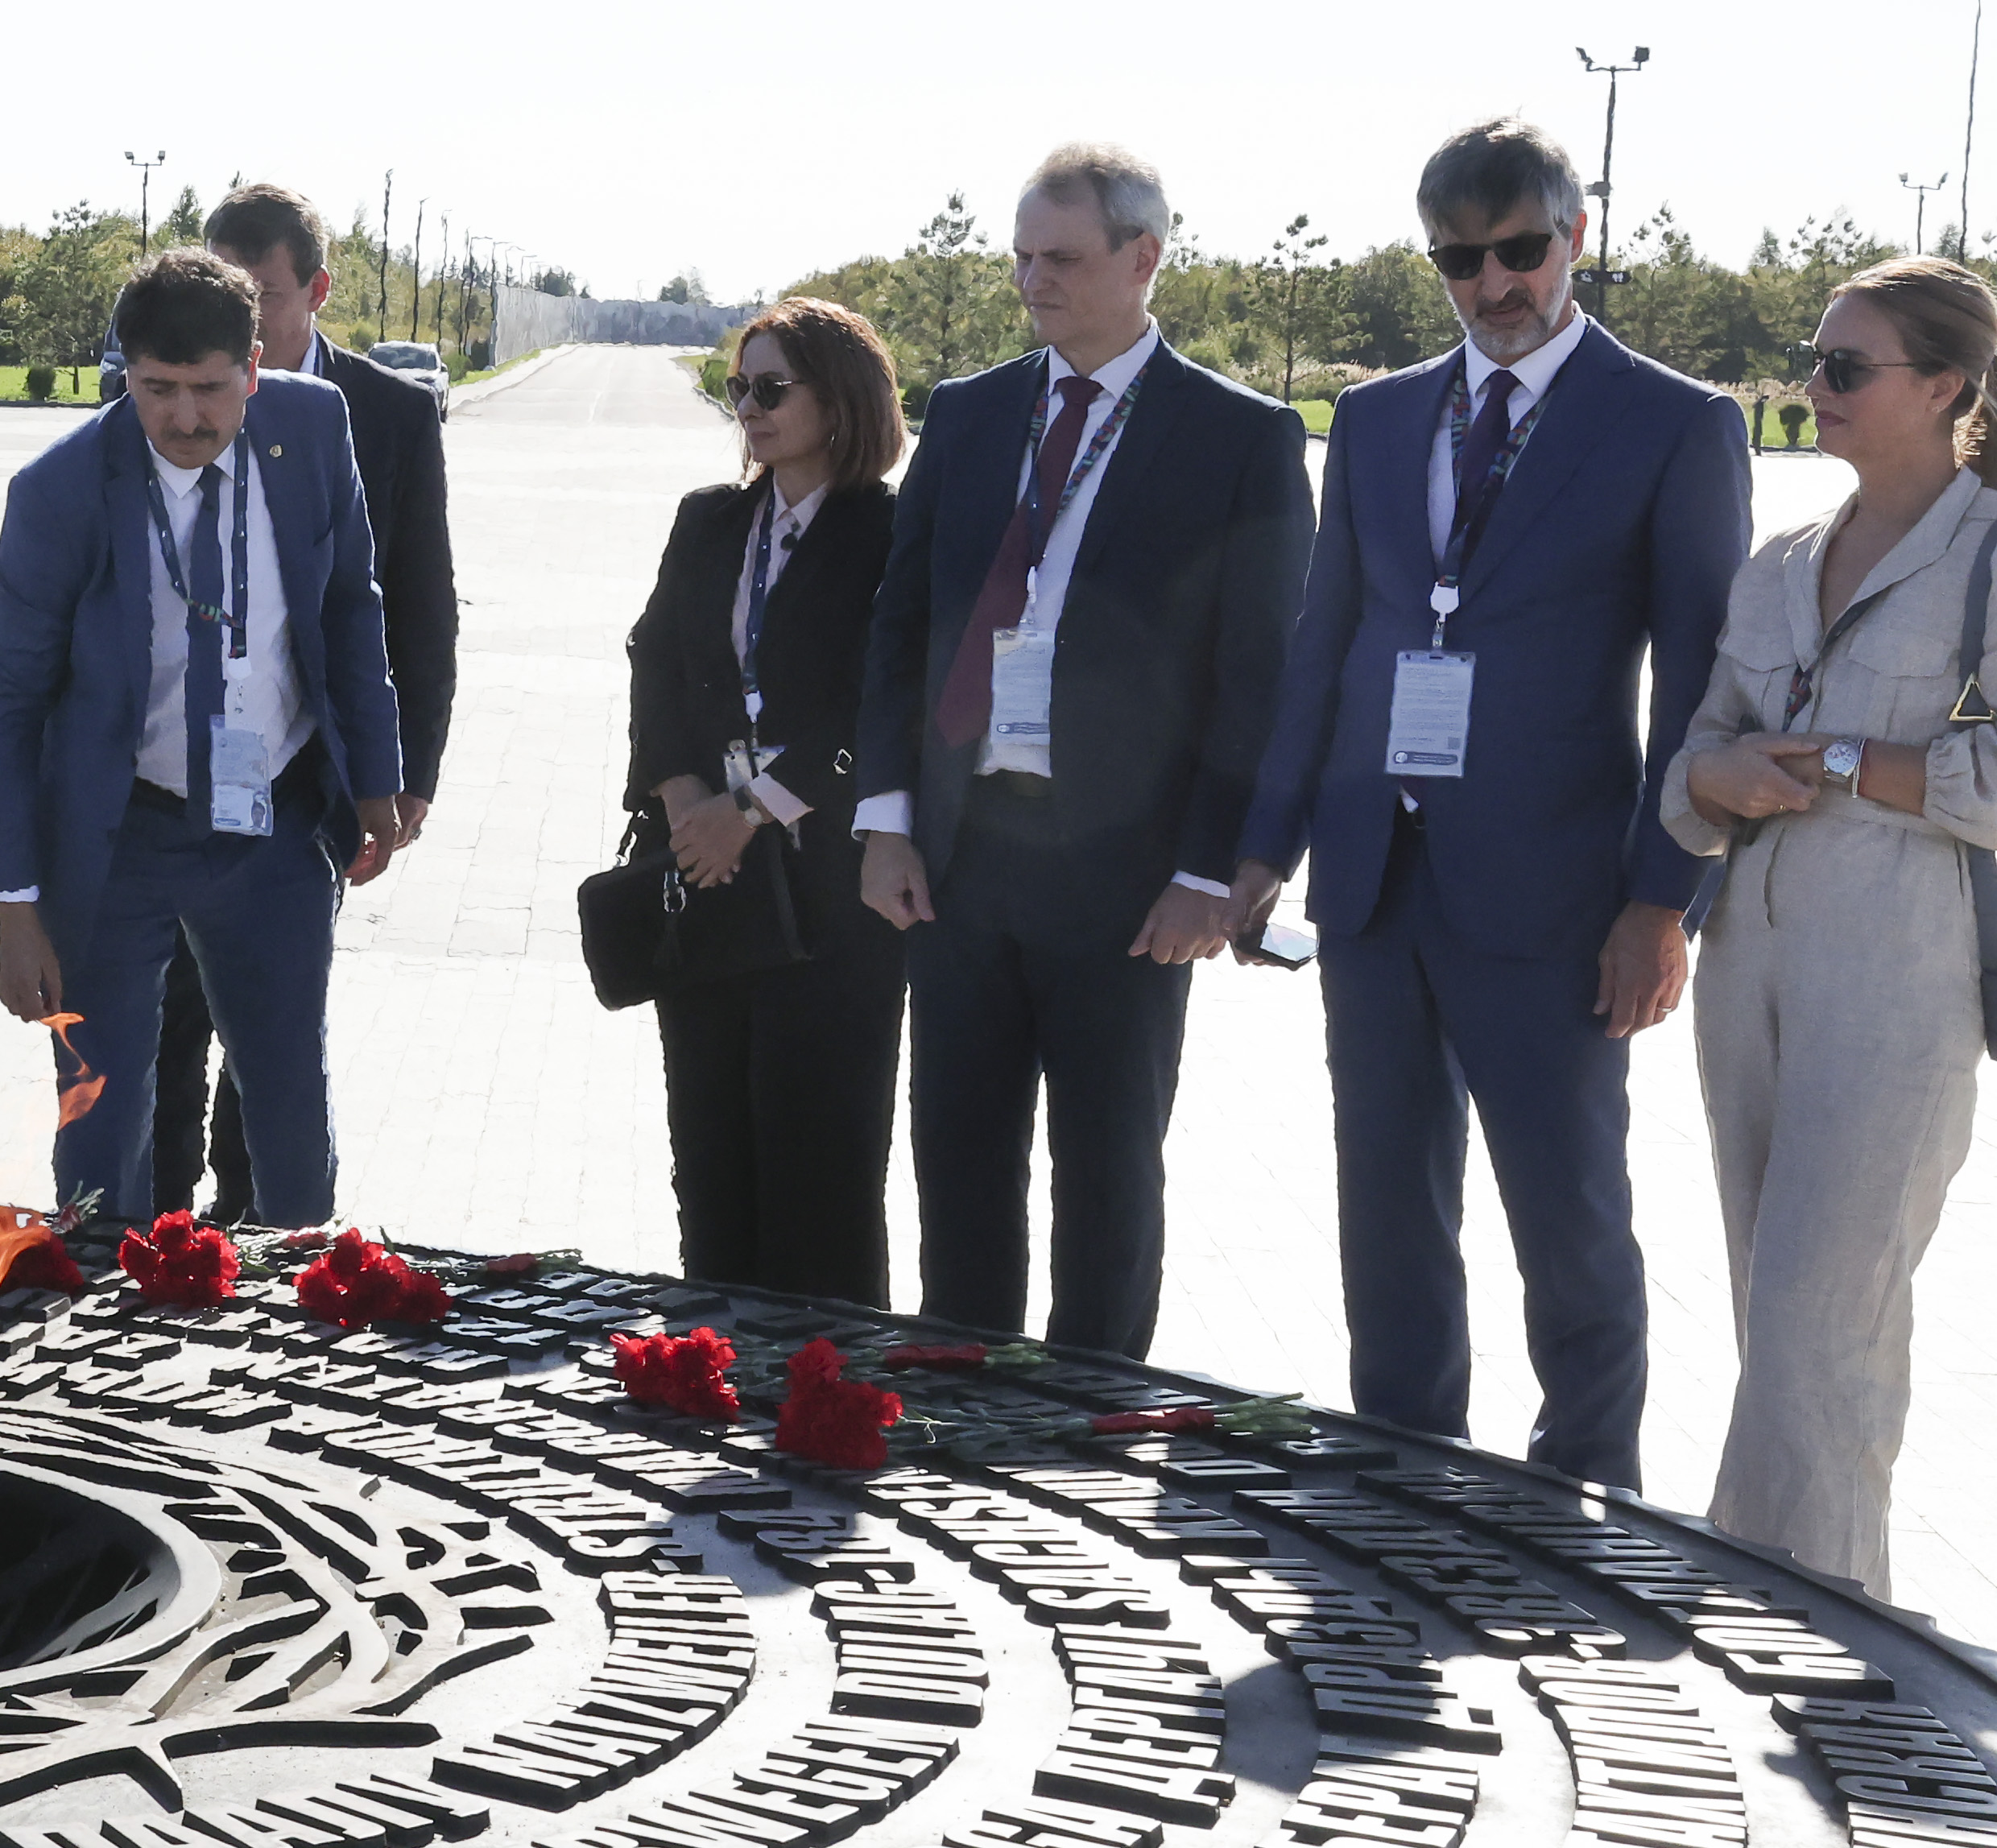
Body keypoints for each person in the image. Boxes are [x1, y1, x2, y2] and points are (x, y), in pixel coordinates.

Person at [1234, 121, 1746, 1493]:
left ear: (1576, 236)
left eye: (1520, 250)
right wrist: (1263, 847)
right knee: (1387, 1211)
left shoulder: (1676, 424)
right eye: (1461, 261)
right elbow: (1325, 645)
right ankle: (1406, 1477)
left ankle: (1589, 1492)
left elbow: (1699, 689)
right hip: (1374, 880)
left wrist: (1662, 901)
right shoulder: (1379, 418)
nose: (1494, 284)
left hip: (1561, 896)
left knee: (1570, 1224)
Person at [854, 144, 1313, 1356]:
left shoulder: (1241, 437)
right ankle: (961, 1401)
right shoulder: (970, 412)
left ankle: (1087, 1426)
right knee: (957, 1158)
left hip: (1131, 882)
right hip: (960, 858)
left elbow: (1259, 678)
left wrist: (1210, 871)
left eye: (1059, 258)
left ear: (1144, 257)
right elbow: (901, 627)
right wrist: (886, 820)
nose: (1032, 282)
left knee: (1107, 1177)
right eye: (1020, 258)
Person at [1660, 257, 1997, 1600]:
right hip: (1747, 974)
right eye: (1815, 360)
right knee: (1778, 1331)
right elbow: (1695, 761)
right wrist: (1713, 779)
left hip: (1901, 984)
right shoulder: (1778, 564)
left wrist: (1844, 763)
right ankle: (1791, 1626)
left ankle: (1800, 1639)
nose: (1815, 387)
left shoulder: (1987, 561)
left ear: (1946, 386)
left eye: (1848, 367)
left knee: (1818, 1340)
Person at [0, 250, 408, 1226]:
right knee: (101, 1113)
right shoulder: (60, 490)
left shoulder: (314, 427)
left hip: (274, 820)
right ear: (122, 372)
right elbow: (7, 702)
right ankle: (95, 1291)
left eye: (209, 389)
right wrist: (15, 906)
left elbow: (352, 603)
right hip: (119, 832)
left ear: (254, 367)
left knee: (288, 1095)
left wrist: (378, 777)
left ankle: (305, 1287)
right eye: (156, 388)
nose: (182, 418)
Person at [153, 183, 461, 1219]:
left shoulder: (386, 414)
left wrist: (403, 776)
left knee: (274, 1023)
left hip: (302, 782)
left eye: (263, 297)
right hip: (166, 784)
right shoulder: (156, 401)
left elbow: (415, 603)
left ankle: (250, 1228)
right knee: (164, 1020)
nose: (235, 320)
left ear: (318, 290)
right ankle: (152, 1231)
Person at [623, 298, 912, 1303]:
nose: (748, 406)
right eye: (737, 385)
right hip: (705, 876)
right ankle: (712, 1354)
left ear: (842, 399)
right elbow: (655, 659)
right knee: (709, 1150)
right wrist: (685, 800)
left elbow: (886, 693)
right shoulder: (709, 520)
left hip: (832, 889)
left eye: (772, 387)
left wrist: (750, 809)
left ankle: (822, 1374)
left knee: (820, 1163)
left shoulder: (892, 532)